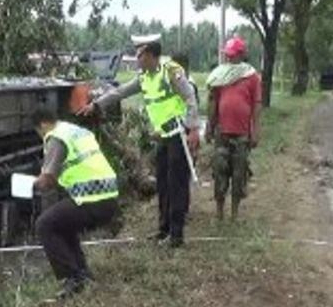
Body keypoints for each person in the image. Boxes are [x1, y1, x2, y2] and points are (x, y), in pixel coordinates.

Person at [81, 36, 200, 248]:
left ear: (152, 55)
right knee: (162, 184)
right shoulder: (144, 77)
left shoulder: (170, 71)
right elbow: (120, 92)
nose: (137, 59)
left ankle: (176, 235)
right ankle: (163, 230)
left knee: (176, 185)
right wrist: (96, 105)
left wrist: (193, 129)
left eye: (140, 54)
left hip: (178, 134)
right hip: (162, 136)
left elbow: (190, 97)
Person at [31, 108, 119, 298]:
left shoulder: (56, 138)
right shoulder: (74, 130)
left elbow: (47, 180)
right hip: (109, 197)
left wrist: (31, 183)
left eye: (39, 132)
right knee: (64, 223)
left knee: (44, 225)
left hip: (92, 199)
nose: (41, 136)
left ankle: (73, 278)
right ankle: (82, 274)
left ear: (43, 125)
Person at [205, 36, 262, 220]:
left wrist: (256, 130)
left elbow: (256, 105)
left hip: (242, 135)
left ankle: (235, 214)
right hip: (222, 132)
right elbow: (213, 102)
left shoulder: (252, 77)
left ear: (241, 55)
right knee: (219, 172)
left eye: (232, 55)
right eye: (227, 55)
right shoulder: (219, 76)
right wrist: (209, 126)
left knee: (239, 174)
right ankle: (219, 213)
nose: (229, 59)